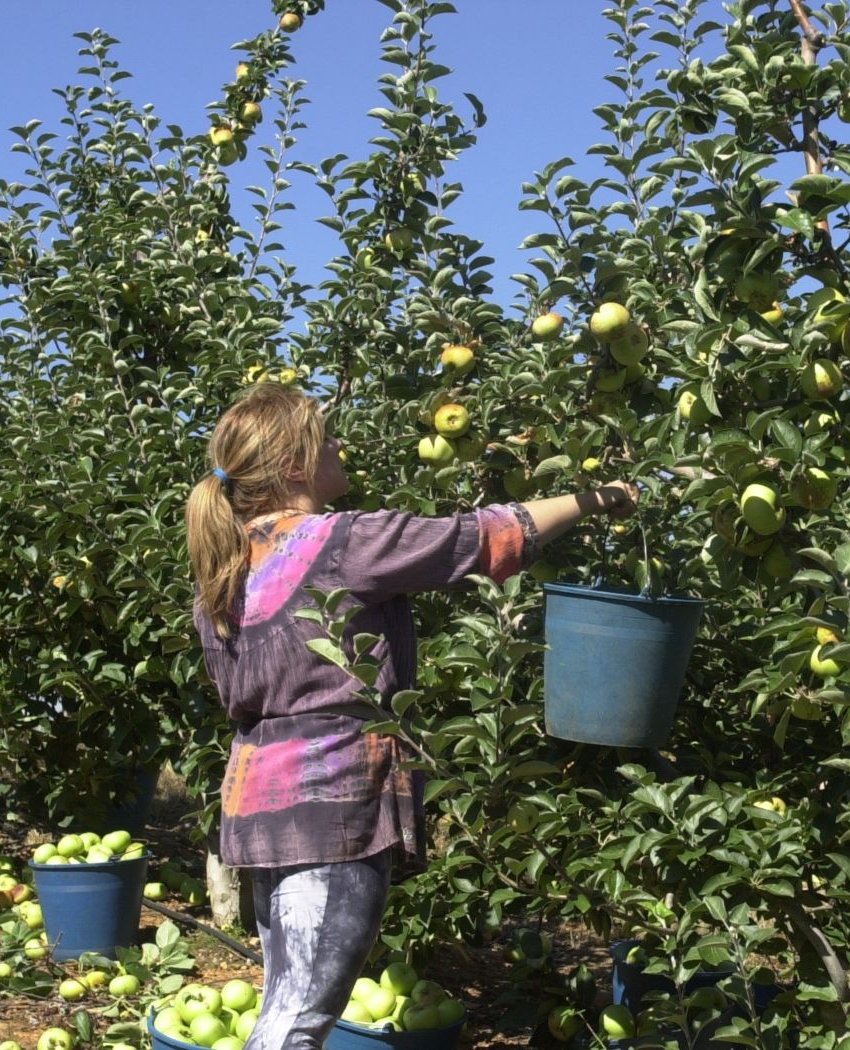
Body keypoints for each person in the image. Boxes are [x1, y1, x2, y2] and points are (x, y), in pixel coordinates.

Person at [184, 383, 637, 1050]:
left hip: (259, 806)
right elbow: (482, 539)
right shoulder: (341, 543)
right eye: (325, 436)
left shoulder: (224, 572)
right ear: (291, 466)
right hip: (332, 804)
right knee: (297, 1024)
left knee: (285, 1002)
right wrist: (596, 498)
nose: (341, 445)